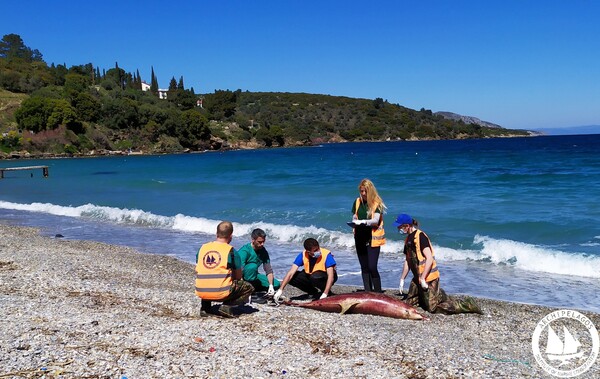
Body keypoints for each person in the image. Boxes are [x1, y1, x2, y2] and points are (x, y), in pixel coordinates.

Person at [395, 214, 482, 314]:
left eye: (400, 227)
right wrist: (402, 279)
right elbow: (408, 261)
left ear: (407, 226)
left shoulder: (420, 236)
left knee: (433, 308)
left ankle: (466, 304)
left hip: (429, 278)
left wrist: (423, 278)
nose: (398, 229)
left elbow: (429, 258)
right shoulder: (407, 240)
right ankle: (437, 294)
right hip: (417, 279)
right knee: (409, 304)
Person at [195, 221, 254, 318]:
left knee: (209, 275)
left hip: (201, 290)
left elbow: (200, 268)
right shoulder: (231, 252)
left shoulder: (203, 248)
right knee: (248, 287)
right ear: (231, 236)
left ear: (216, 233)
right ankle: (226, 306)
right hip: (221, 293)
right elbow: (238, 277)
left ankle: (205, 308)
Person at [273, 238, 337, 302]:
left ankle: (327, 292)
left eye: (318, 249)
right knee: (293, 277)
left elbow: (331, 276)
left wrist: (325, 293)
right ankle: (313, 292)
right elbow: (291, 273)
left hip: (325, 277)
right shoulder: (303, 255)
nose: (318, 251)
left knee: (315, 277)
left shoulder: (326, 254)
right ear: (308, 252)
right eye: (315, 250)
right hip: (311, 276)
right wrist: (280, 290)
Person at [351, 178, 387, 292]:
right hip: (359, 237)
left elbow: (376, 220)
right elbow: (354, 216)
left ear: (370, 190)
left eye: (365, 191)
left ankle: (378, 292)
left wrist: (364, 222)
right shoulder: (357, 201)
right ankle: (368, 291)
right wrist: (355, 221)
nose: (363, 194)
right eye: (361, 191)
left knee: (372, 266)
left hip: (372, 238)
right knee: (364, 267)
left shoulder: (377, 203)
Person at [237, 228, 280, 296]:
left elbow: (268, 270)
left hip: (254, 275)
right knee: (252, 266)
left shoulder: (263, 251)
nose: (262, 244)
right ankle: (246, 288)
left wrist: (271, 286)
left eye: (263, 242)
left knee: (276, 284)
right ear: (253, 240)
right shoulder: (244, 251)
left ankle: (254, 287)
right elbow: (238, 270)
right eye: (259, 242)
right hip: (242, 276)